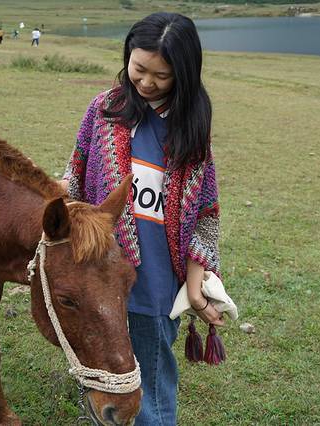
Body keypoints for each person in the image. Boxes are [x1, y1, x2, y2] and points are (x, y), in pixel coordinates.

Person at [61, 12, 224, 425]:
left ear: (183, 74)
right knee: (104, 376)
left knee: (150, 387)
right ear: (127, 57)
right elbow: (74, 178)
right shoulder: (104, 109)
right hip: (99, 278)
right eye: (139, 69)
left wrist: (195, 289)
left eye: (161, 75)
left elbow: (205, 215)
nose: (147, 82)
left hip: (153, 288)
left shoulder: (190, 131)